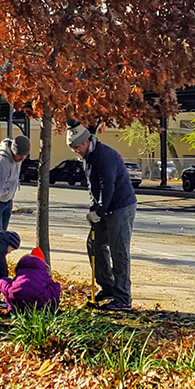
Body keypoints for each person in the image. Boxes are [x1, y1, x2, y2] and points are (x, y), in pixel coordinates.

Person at [67, 120, 137, 312]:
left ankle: (123, 297)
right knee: (95, 245)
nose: (75, 150)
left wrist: (99, 210)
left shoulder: (104, 155)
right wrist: (94, 208)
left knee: (119, 251)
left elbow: (108, 186)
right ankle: (107, 287)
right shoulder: (87, 158)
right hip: (105, 207)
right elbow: (93, 186)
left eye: (76, 146)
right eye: (72, 147)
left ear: (86, 141)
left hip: (121, 206)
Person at [0, 135, 30, 232]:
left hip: (7, 200)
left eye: (25, 155)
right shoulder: (1, 163)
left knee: (3, 236)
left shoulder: (18, 158)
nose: (22, 159)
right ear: (12, 150)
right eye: (19, 155)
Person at [0, 247, 60, 312]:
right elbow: (53, 286)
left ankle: (11, 307)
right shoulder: (43, 272)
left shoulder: (21, 269)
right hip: (40, 300)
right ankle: (51, 310)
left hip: (17, 298)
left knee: (4, 282)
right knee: (55, 286)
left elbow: (5, 282)